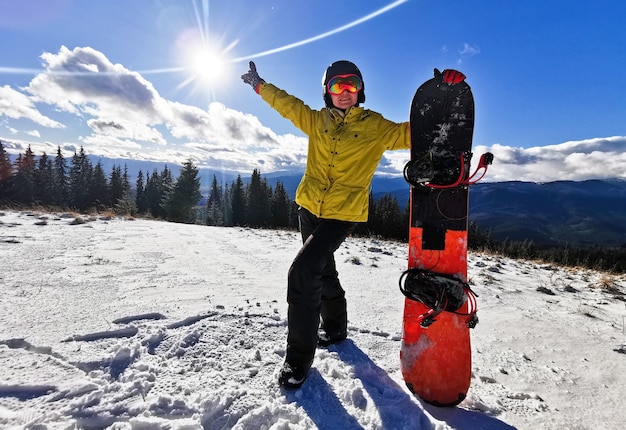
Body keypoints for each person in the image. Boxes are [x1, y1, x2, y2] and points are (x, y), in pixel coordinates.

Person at [241, 60, 410, 389]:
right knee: (323, 269)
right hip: (309, 207)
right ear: (327, 91)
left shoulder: (376, 126)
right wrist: (261, 86)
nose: (345, 92)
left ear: (360, 90)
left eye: (351, 85)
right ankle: (334, 328)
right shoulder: (317, 121)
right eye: (337, 86)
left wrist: (443, 106)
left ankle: (298, 359)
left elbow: (408, 134)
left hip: (341, 215)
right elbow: (289, 106)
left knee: (302, 273)